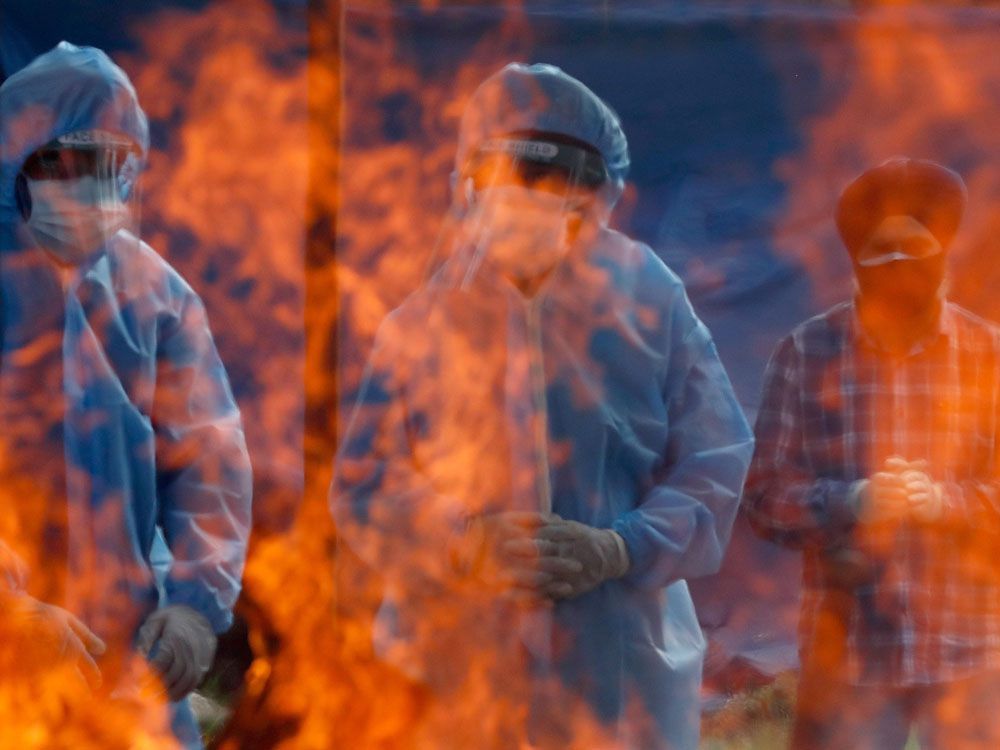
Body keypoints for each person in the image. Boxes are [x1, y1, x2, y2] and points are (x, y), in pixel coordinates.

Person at [332, 62, 753, 749]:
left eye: (553, 187)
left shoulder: (651, 302)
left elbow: (715, 458)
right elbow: (365, 482)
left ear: (596, 197)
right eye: (511, 182)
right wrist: (464, 541)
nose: (528, 203)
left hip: (623, 669)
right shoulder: (423, 321)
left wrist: (620, 547)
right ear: (470, 188)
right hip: (454, 666)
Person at [0, 42, 252, 748]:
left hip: (125, 677)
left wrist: (196, 608)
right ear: (14, 158)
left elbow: (209, 459)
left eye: (111, 165)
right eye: (67, 163)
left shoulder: (156, 296)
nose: (90, 188)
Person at [744, 157, 1000, 749]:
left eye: (916, 248)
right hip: (853, 650)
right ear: (855, 262)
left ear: (944, 252)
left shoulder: (989, 356)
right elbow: (762, 497)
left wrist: (945, 503)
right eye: (882, 252)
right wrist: (853, 501)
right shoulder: (806, 353)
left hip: (975, 647)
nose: (900, 269)